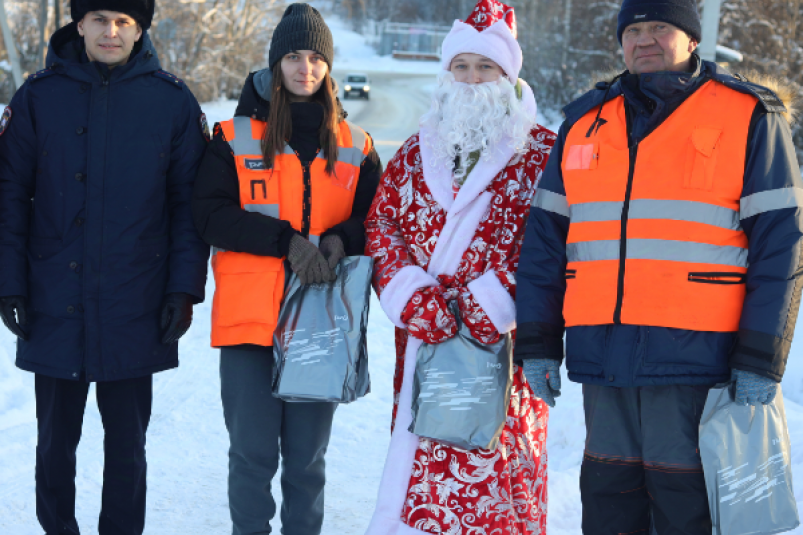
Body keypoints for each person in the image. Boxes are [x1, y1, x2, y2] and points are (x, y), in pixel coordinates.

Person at [515, 0, 803, 533]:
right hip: (603, 356)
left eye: (661, 28)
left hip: (699, 358)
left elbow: (781, 247)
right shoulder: (584, 122)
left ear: (691, 38)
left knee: (685, 503)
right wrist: (536, 342)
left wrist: (761, 356)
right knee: (608, 499)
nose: (644, 40)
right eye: (634, 29)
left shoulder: (747, 115)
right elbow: (544, 246)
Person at [0, 0, 209, 533]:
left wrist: (182, 290)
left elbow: (188, 207)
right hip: (53, 298)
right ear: (79, 23)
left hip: (135, 304)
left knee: (127, 447)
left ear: (139, 30)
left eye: (122, 21)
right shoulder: (37, 98)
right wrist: (9, 284)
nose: (109, 31)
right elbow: (8, 197)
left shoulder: (173, 102)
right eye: (98, 19)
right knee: (53, 446)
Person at [363, 1, 556, 533]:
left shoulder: (541, 154)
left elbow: (556, 243)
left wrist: (493, 300)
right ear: (446, 73)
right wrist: (410, 293)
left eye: (486, 67)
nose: (472, 79)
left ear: (508, 75)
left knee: (498, 473)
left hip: (504, 347)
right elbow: (382, 226)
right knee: (423, 472)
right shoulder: (414, 150)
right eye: (462, 66)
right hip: (427, 337)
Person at [191, 4, 381, 534]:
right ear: (276, 63)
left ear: (328, 67)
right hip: (249, 324)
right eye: (293, 56)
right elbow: (208, 215)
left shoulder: (356, 146)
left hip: (321, 325)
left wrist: (343, 240)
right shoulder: (233, 137)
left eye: (316, 57)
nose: (305, 68)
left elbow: (378, 220)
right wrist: (285, 243)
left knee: (305, 463)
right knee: (252, 458)